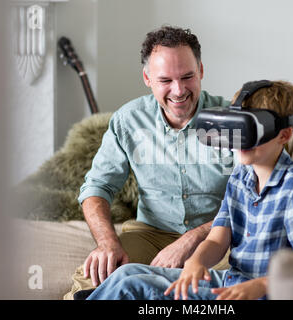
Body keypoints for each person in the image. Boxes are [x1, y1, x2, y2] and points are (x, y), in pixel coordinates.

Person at [86, 80, 293, 300]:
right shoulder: (240, 175)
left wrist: (260, 285)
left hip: (258, 295)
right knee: (128, 272)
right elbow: (218, 238)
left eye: (251, 131)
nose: (240, 140)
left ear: (284, 134)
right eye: (236, 129)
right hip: (229, 281)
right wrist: (195, 262)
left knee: (134, 287)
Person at [64, 26, 234, 300]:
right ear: (147, 78)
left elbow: (255, 197)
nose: (178, 91)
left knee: (229, 286)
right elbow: (97, 186)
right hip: (150, 233)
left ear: (201, 70)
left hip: (219, 236)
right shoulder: (128, 120)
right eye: (165, 80)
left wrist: (192, 238)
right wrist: (107, 243)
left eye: (187, 76)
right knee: (91, 282)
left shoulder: (232, 121)